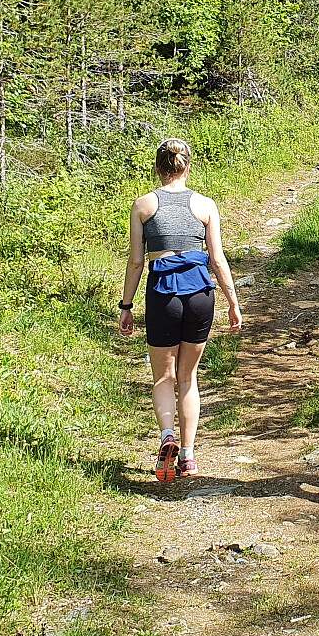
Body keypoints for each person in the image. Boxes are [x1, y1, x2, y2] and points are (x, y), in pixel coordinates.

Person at [119, 138, 243, 482]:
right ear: (187, 167)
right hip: (200, 294)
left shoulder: (143, 205)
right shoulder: (205, 205)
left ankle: (167, 437)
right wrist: (233, 303)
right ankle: (187, 457)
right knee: (188, 378)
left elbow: (136, 262)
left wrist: (126, 306)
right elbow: (217, 259)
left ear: (157, 168)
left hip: (164, 295)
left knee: (164, 377)